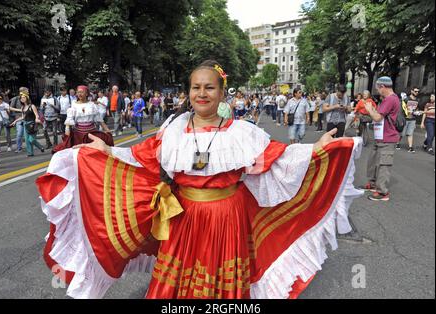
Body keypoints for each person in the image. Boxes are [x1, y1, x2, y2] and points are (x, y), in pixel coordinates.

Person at [36, 60, 363, 299]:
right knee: (176, 286)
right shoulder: (172, 130)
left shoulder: (243, 134)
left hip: (227, 218)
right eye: (196, 87)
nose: (202, 93)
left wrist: (315, 149)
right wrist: (105, 153)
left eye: (210, 87)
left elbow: (277, 160)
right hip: (184, 217)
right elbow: (142, 157)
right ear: (188, 92)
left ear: (221, 93)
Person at [362, 76, 400, 201]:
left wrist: (369, 110)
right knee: (373, 162)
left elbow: (377, 117)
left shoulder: (390, 99)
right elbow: (379, 115)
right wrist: (372, 110)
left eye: (378, 88)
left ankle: (383, 192)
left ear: (383, 87)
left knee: (383, 165)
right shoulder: (387, 99)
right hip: (380, 137)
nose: (377, 91)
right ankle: (373, 184)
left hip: (387, 138)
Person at [53, 86, 113, 153]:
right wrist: (67, 137)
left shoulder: (92, 105)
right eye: (78, 92)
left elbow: (100, 120)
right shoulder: (74, 105)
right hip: (78, 135)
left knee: (93, 153)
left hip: (91, 134)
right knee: (79, 154)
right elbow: (68, 122)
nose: (79, 94)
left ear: (87, 94)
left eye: (81, 92)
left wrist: (107, 130)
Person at [10, 93, 45, 157]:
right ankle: (30, 153)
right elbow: (23, 117)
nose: (22, 99)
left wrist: (37, 119)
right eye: (21, 98)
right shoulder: (23, 107)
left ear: (27, 98)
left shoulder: (32, 106)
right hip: (25, 125)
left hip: (32, 124)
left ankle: (40, 147)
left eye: (24, 97)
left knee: (31, 139)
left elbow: (36, 115)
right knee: (27, 140)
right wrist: (15, 121)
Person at [396, 87, 420, 153]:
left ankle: (410, 147)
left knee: (410, 133)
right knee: (402, 133)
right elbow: (402, 107)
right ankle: (397, 143)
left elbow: (417, 108)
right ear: (412, 91)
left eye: (418, 91)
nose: (417, 93)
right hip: (405, 118)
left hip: (413, 119)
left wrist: (417, 112)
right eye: (415, 91)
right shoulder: (406, 98)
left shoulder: (417, 100)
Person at [9, 87, 28, 153]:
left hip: (26, 117)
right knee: (19, 133)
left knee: (26, 134)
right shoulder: (15, 99)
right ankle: (19, 148)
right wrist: (20, 110)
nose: (28, 92)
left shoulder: (27, 98)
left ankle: (28, 147)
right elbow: (10, 108)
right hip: (18, 118)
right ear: (22, 91)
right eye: (27, 91)